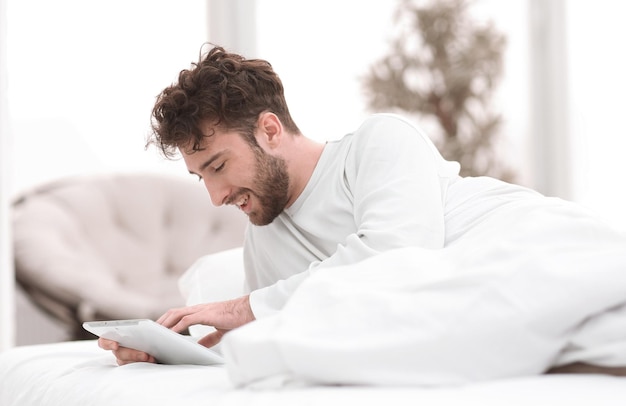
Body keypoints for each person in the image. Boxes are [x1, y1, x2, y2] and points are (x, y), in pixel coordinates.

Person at [99, 45, 626, 375]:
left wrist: (242, 306)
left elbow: (398, 256)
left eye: (217, 166)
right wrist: (166, 354)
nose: (215, 198)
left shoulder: (378, 141)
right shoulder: (263, 236)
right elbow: (276, 331)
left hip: (515, 239)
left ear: (269, 130)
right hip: (453, 303)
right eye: (200, 178)